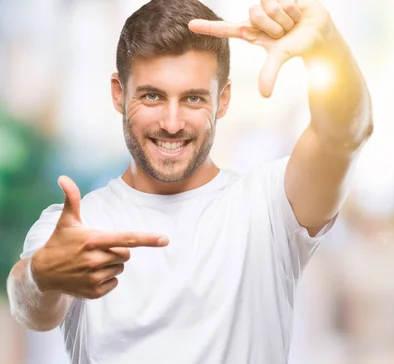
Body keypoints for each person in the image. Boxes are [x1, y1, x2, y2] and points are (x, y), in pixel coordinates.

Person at [7, 0, 373, 362]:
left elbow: (345, 134)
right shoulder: (75, 226)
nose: (171, 122)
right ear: (119, 93)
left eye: (193, 99)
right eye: (152, 96)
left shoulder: (273, 205)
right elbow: (31, 309)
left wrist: (327, 47)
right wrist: (41, 276)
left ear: (223, 99)